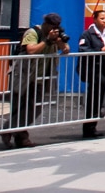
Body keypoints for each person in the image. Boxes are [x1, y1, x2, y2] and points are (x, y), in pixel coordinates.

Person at [4, 12, 70, 148]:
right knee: (20, 107)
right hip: (24, 75)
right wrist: (46, 40)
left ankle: (7, 130)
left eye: (56, 26)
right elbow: (31, 50)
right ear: (45, 24)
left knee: (35, 108)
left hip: (40, 77)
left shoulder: (55, 35)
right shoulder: (33, 32)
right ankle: (20, 138)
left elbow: (66, 50)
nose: (54, 29)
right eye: (52, 26)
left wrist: (60, 42)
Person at [78, 8, 105, 139]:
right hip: (92, 71)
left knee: (98, 99)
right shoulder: (87, 34)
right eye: (102, 18)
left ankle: (93, 126)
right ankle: (88, 128)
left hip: (103, 71)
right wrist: (101, 50)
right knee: (92, 99)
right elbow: (83, 50)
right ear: (94, 19)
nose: (104, 21)